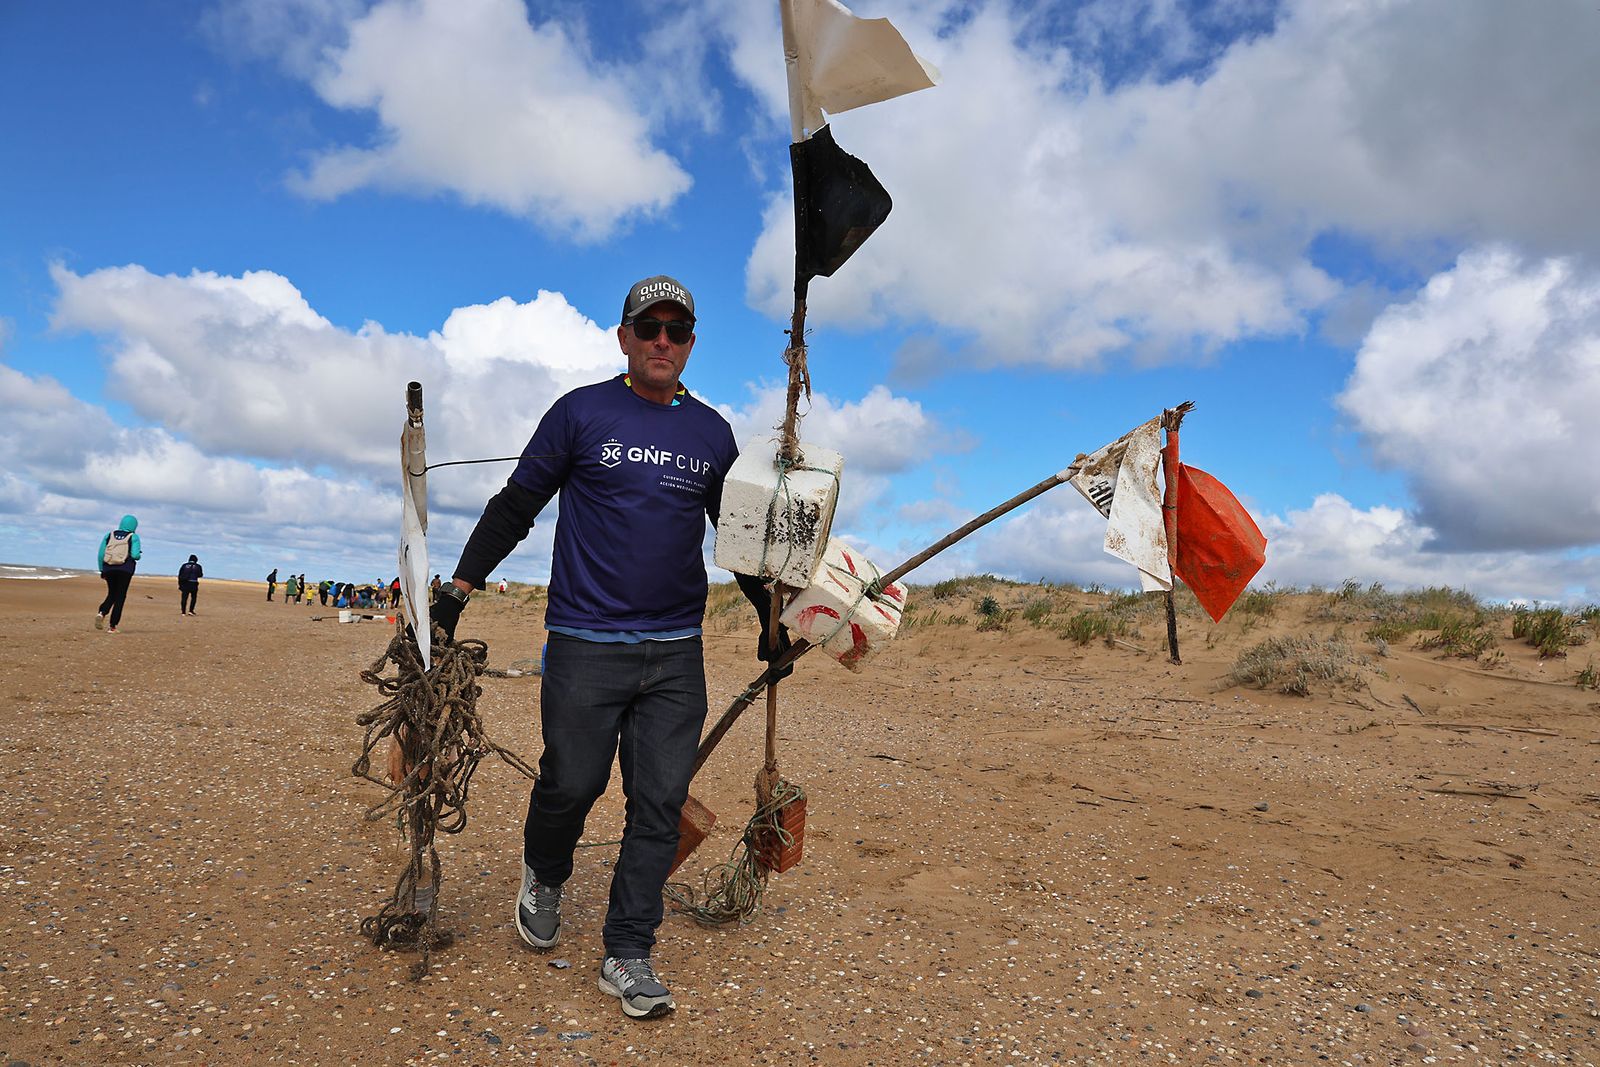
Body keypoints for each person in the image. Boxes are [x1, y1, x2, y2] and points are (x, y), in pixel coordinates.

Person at [430, 276, 788, 1021]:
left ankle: (629, 950)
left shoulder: (713, 433)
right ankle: (545, 869)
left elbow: (742, 544)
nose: (663, 340)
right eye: (649, 327)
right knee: (572, 784)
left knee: (657, 802)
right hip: (585, 643)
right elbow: (516, 504)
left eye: (677, 330)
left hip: (674, 653)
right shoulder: (580, 411)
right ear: (623, 336)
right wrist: (458, 589)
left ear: (691, 343)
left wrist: (771, 621)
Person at [95, 514, 142, 633]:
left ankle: (102, 612)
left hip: (109, 568)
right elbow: (135, 555)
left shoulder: (109, 535)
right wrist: (139, 554)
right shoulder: (133, 537)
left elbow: (101, 554)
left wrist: (102, 570)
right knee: (120, 596)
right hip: (125, 570)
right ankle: (113, 626)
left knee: (112, 593)